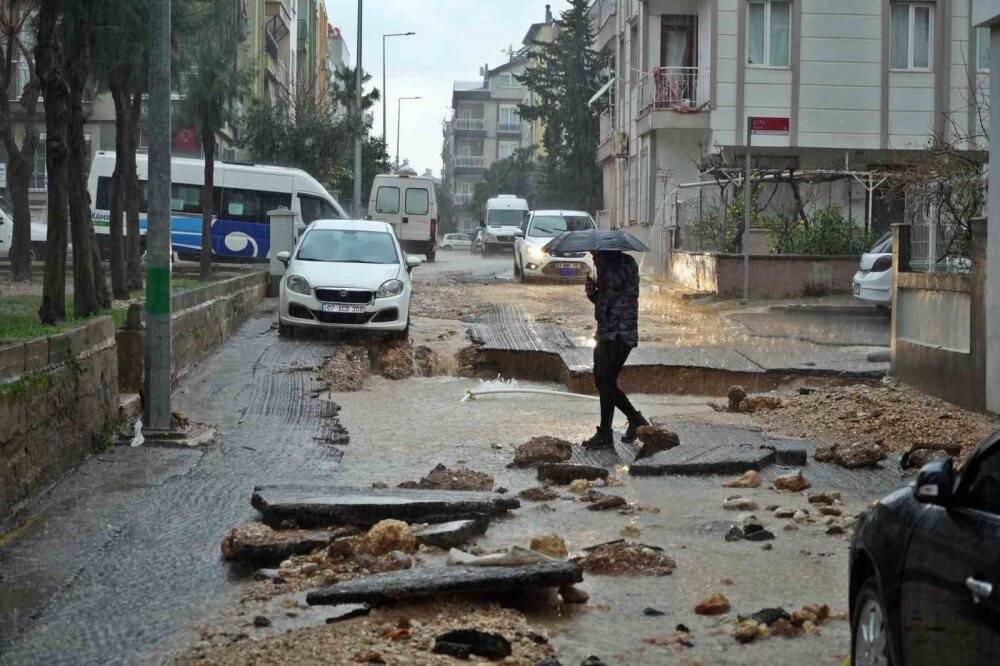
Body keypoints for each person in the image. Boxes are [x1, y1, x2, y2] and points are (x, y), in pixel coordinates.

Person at [582, 250, 648, 448]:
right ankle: (634, 421)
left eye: (594, 253)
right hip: (610, 332)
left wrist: (596, 289)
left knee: (605, 381)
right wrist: (592, 293)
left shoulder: (614, 267)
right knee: (604, 381)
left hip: (618, 333)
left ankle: (607, 433)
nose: (592, 256)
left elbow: (608, 302)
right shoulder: (614, 264)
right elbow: (606, 303)